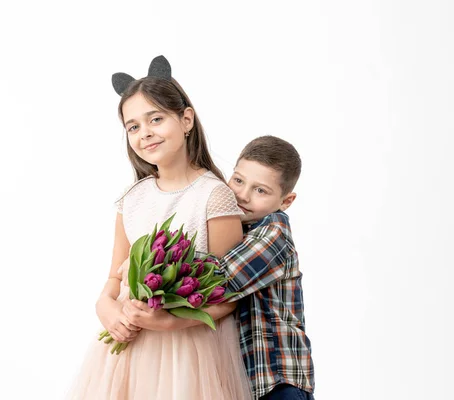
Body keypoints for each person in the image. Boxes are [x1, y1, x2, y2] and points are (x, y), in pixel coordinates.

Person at [66, 55, 252, 400]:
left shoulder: (214, 196)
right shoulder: (132, 199)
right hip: (131, 346)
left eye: (156, 119)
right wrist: (105, 308)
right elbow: (114, 278)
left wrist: (170, 322)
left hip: (188, 351)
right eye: (133, 126)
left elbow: (228, 295)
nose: (145, 133)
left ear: (186, 119)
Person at [220, 135, 316, 399]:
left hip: (279, 382)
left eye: (260, 190)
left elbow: (222, 281)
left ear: (286, 201)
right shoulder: (239, 227)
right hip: (252, 383)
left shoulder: (274, 233)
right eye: (238, 180)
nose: (242, 195)